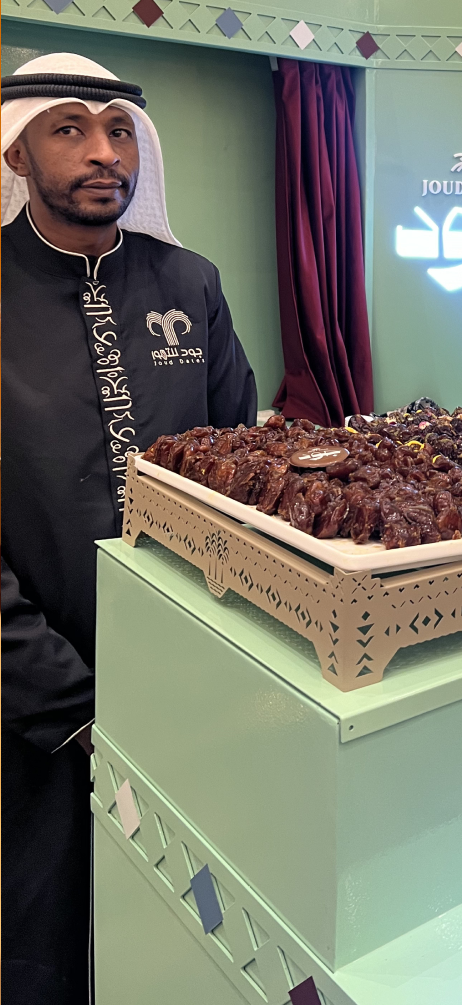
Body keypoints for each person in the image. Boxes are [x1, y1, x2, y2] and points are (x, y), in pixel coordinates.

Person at [1, 52, 257, 1004]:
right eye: (69, 129)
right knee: (49, 931)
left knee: (195, 921)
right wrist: (66, 700)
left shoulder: (190, 283)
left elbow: (244, 474)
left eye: (119, 132)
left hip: (193, 678)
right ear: (16, 154)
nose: (104, 153)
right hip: (36, 704)